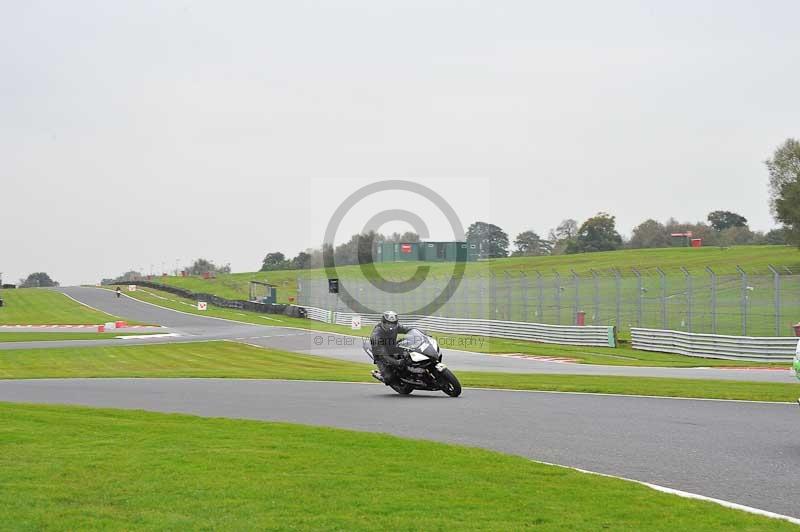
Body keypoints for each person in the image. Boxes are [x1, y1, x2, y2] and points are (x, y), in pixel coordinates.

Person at [370, 310, 412, 386]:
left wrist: (423, 333)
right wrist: (398, 362)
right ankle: (380, 375)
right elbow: (383, 356)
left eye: (393, 324)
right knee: (389, 378)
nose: (390, 326)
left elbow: (408, 329)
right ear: (383, 322)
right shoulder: (376, 335)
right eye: (388, 323)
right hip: (381, 355)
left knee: (410, 353)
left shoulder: (396, 327)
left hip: (392, 348)